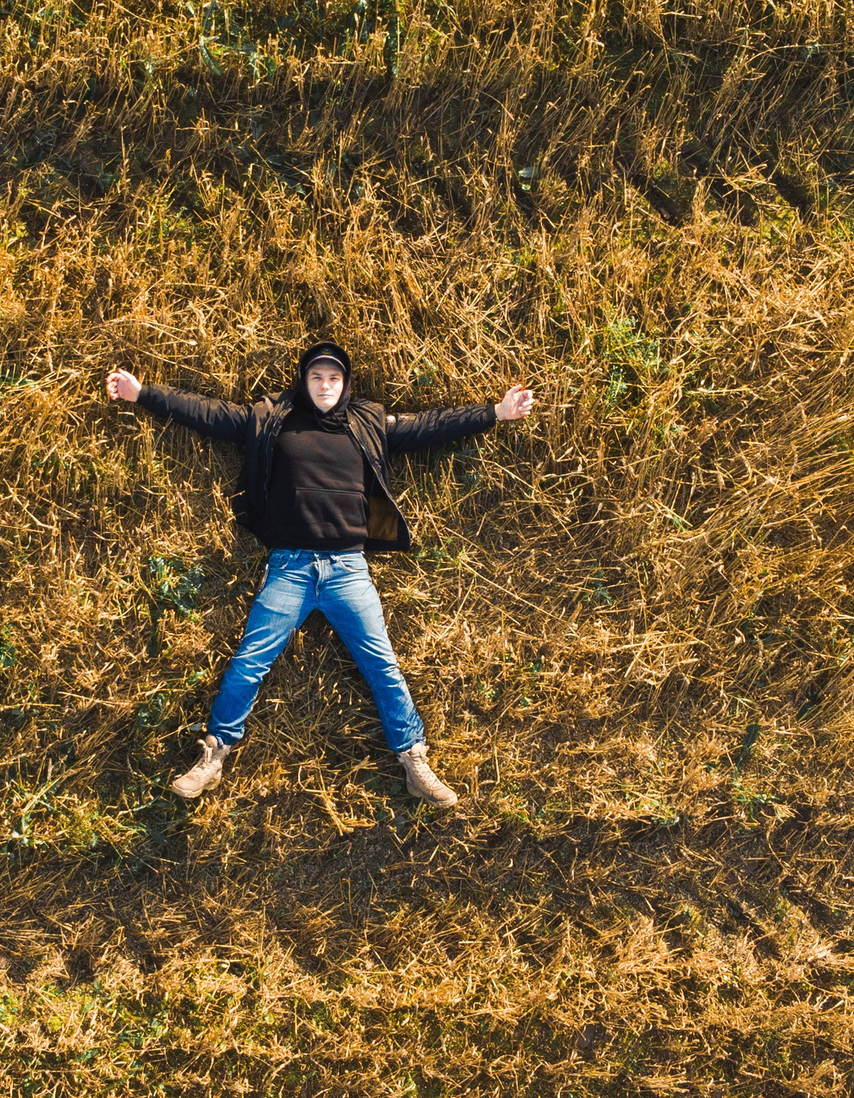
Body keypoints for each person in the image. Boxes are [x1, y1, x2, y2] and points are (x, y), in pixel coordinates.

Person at [106, 343, 535, 806]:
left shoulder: (368, 422)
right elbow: (208, 413)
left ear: (345, 383)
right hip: (289, 567)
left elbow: (431, 425)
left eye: (334, 378)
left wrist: (496, 412)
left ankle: (415, 760)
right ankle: (213, 755)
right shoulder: (272, 417)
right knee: (249, 662)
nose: (325, 386)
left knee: (382, 667)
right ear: (304, 381)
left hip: (348, 569)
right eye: (316, 377)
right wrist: (142, 393)